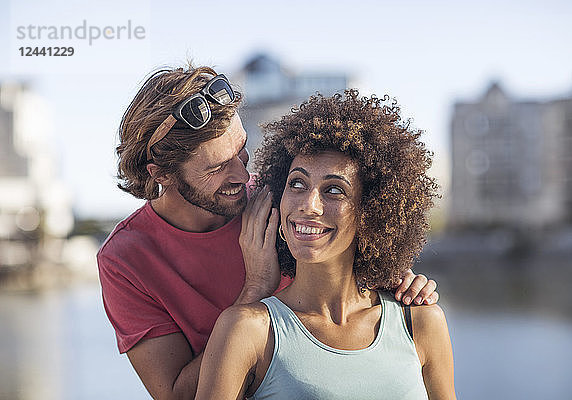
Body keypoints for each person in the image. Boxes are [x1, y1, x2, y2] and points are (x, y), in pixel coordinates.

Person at [97, 65, 440, 399]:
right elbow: (176, 396)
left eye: (241, 150)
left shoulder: (282, 198)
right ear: (162, 175)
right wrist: (255, 289)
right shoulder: (126, 259)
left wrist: (388, 273)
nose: (243, 177)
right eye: (217, 167)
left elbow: (350, 242)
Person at [195, 90, 455, 399]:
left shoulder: (420, 322)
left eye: (334, 190)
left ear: (371, 212)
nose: (309, 204)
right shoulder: (246, 330)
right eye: (297, 184)